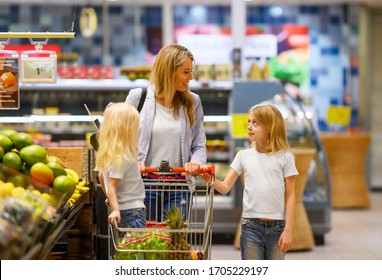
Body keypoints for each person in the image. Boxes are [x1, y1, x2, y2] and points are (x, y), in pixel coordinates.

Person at [202, 104, 298, 260]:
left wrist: (288, 230)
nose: (249, 127)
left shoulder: (285, 157)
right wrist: (209, 179)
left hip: (278, 228)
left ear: (270, 127)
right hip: (251, 227)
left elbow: (291, 195)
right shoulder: (243, 156)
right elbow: (225, 187)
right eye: (249, 122)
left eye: (255, 123)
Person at [125, 44, 207, 222]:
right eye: (186, 72)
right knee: (146, 242)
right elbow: (122, 141)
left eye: (191, 71)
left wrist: (195, 163)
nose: (190, 78)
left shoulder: (193, 102)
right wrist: (133, 162)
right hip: (144, 184)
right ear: (169, 71)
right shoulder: (137, 98)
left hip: (179, 187)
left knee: (174, 242)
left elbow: (199, 145)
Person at [96, 102, 146, 229]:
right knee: (136, 246)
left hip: (123, 208)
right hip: (133, 210)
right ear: (127, 128)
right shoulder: (122, 156)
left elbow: (101, 176)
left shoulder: (111, 154)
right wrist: (116, 209)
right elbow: (112, 187)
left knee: (126, 246)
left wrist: (112, 201)